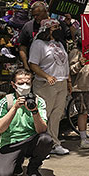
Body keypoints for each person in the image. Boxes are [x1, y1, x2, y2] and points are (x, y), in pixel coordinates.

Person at [0, 69, 52, 176]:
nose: (24, 86)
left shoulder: (39, 101)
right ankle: (16, 163)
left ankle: (33, 167)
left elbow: (42, 130)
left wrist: (35, 111)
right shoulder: (6, 102)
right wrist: (14, 108)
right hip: (10, 143)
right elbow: (0, 128)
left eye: (27, 83)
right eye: (20, 83)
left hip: (30, 141)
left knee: (46, 139)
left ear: (31, 83)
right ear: (13, 85)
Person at [28, 18, 71, 156]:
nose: (58, 29)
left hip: (61, 82)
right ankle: (41, 145)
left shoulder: (59, 43)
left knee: (56, 115)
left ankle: (54, 143)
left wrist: (68, 81)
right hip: (46, 84)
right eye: (55, 27)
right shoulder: (38, 44)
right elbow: (33, 64)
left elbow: (64, 63)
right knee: (43, 114)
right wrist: (46, 76)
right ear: (47, 29)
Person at [18, 1, 74, 71]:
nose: (35, 17)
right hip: (37, 68)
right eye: (33, 15)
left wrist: (69, 24)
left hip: (58, 68)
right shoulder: (29, 26)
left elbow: (73, 37)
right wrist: (25, 64)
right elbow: (22, 46)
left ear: (45, 11)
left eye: (37, 15)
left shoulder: (58, 24)